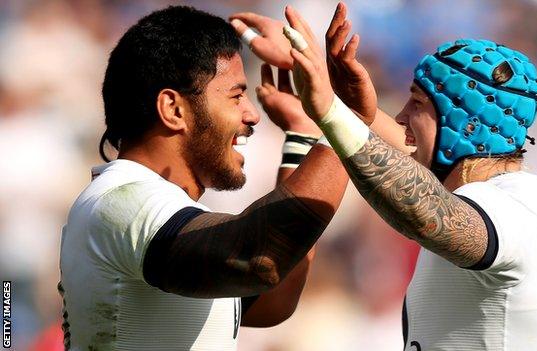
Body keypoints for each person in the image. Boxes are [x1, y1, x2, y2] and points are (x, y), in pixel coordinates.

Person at [234, 3, 537, 350]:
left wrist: (333, 111)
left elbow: (428, 213)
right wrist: (320, 81)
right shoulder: (494, 193)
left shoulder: (516, 212)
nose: (400, 117)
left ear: (467, 126)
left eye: (416, 103)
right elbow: (407, 153)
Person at [58, 6, 348, 350]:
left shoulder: (154, 210)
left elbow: (274, 297)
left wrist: (303, 135)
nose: (252, 114)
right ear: (173, 109)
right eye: (236, 95)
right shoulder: (121, 200)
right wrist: (340, 114)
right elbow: (260, 259)